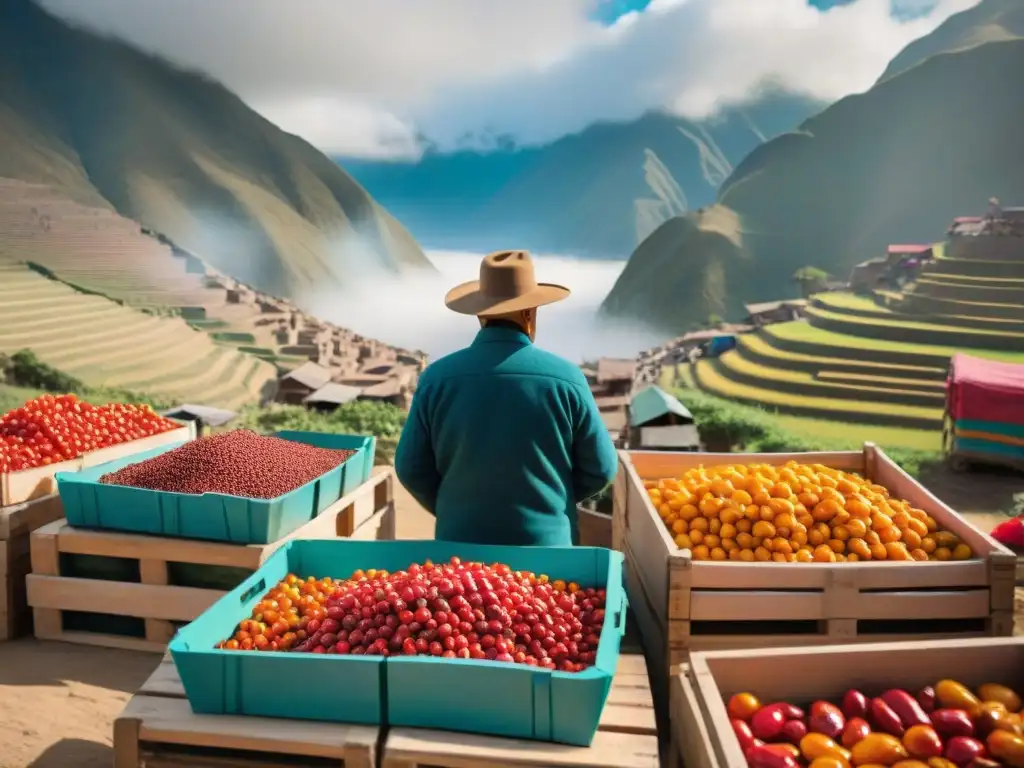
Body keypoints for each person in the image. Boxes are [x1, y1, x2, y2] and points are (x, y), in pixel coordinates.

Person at [394, 250, 618, 546]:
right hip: (546, 548)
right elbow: (602, 468)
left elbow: (410, 467)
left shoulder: (436, 378)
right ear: (530, 313)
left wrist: (453, 509)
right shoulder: (567, 378)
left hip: (459, 549)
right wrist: (551, 501)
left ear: (480, 313)